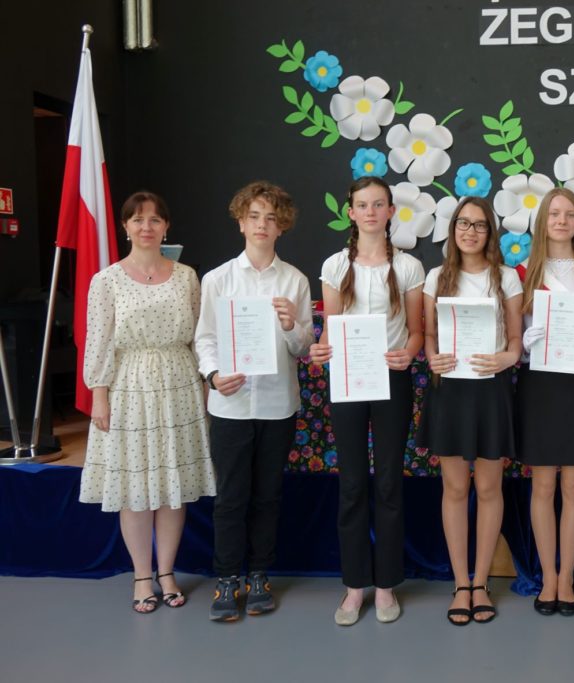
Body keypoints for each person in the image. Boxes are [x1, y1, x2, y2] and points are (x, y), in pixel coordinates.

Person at [79, 191, 216, 613]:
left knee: (173, 487)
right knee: (136, 487)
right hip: (129, 388)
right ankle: (142, 575)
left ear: (166, 226)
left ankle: (168, 572)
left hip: (180, 384)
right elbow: (99, 341)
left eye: (155, 219)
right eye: (138, 220)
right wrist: (99, 394)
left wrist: (206, 384)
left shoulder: (187, 276)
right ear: (125, 226)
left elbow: (200, 335)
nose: (146, 227)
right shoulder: (106, 280)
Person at [194, 181, 313, 622]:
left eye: (271, 218)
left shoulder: (295, 280)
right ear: (241, 223)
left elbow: (303, 348)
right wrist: (213, 375)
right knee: (230, 497)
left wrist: (291, 325)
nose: (262, 224)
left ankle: (259, 574)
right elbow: (205, 338)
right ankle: (227, 578)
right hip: (230, 403)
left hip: (277, 404)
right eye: (254, 216)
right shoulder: (218, 279)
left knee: (267, 495)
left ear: (282, 227)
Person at [309, 177, 425, 626]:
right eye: (363, 205)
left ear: (391, 211)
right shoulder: (335, 265)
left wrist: (409, 353)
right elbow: (330, 329)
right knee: (353, 483)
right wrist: (322, 349)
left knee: (389, 482)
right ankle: (355, 585)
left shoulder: (409, 266)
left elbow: (416, 330)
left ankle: (387, 584)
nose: (371, 212)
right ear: (351, 213)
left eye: (379, 204)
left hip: (393, 379)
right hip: (349, 380)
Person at [419, 197, 523, 625]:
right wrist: (432, 358)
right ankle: (460, 584)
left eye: (479, 225)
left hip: (490, 390)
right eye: (463, 223)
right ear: (453, 229)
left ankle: (482, 583)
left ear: (490, 233)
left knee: (489, 489)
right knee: (456, 489)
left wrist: (505, 358)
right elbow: (428, 336)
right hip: (450, 390)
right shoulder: (436, 277)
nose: (470, 231)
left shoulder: (506, 278)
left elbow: (516, 342)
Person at [517, 188, 574, 617]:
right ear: (542, 220)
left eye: (569, 214)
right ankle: (547, 578)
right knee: (542, 485)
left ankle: (567, 577)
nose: (561, 221)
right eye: (554, 213)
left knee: (573, 486)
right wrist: (525, 341)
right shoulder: (524, 272)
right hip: (539, 383)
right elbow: (511, 341)